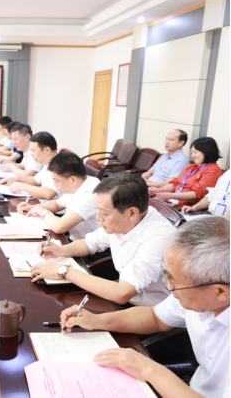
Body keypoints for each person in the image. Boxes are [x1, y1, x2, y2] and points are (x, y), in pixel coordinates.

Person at [59, 217, 229, 398]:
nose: (169, 287)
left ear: (220, 292)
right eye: (167, 275)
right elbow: (155, 317)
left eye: (175, 282)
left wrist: (149, 369)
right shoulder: (200, 294)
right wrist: (96, 320)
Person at [32, 175, 174, 306]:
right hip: (123, 294)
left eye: (104, 212)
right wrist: (61, 250)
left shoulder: (158, 239)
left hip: (146, 310)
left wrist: (64, 271)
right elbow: (90, 243)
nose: (98, 217)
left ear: (132, 213)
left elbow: (122, 293)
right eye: (97, 210)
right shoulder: (126, 219)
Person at [19, 151, 100, 241]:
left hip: (89, 247)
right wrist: (33, 207)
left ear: (73, 179)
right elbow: (57, 204)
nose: (55, 185)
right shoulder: (78, 183)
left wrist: (42, 212)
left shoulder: (90, 194)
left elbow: (58, 227)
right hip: (76, 241)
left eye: (56, 181)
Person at [149, 137, 223, 208]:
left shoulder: (213, 170)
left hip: (188, 207)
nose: (193, 155)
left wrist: (171, 195)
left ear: (207, 152)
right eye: (192, 152)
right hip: (173, 201)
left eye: (195, 152)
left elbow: (197, 194)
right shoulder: (191, 167)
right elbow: (176, 183)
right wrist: (159, 190)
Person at [0, 131, 62, 204]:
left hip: (52, 208)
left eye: (33, 151)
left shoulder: (59, 164)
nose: (31, 155)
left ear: (47, 150)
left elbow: (49, 194)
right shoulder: (49, 162)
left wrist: (22, 186)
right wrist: (15, 179)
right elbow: (36, 181)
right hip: (43, 204)